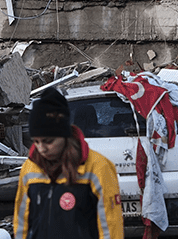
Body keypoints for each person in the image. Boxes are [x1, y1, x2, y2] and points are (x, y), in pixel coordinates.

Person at [14, 87, 123, 239]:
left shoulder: (98, 167)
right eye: (36, 141)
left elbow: (111, 224)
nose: (41, 148)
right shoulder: (29, 167)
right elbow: (22, 219)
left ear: (64, 135)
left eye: (48, 141)